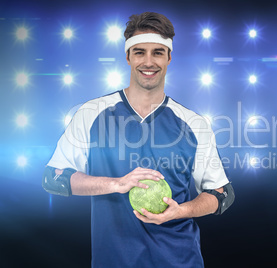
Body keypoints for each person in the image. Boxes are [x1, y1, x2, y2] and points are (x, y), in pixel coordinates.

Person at [42, 11, 234, 267]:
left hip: (180, 260)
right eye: (139, 52)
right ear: (128, 57)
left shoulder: (193, 123)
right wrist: (116, 183)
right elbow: (54, 178)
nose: (148, 61)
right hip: (113, 260)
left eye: (157, 52)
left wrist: (181, 210)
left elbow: (222, 194)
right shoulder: (91, 113)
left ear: (169, 58)